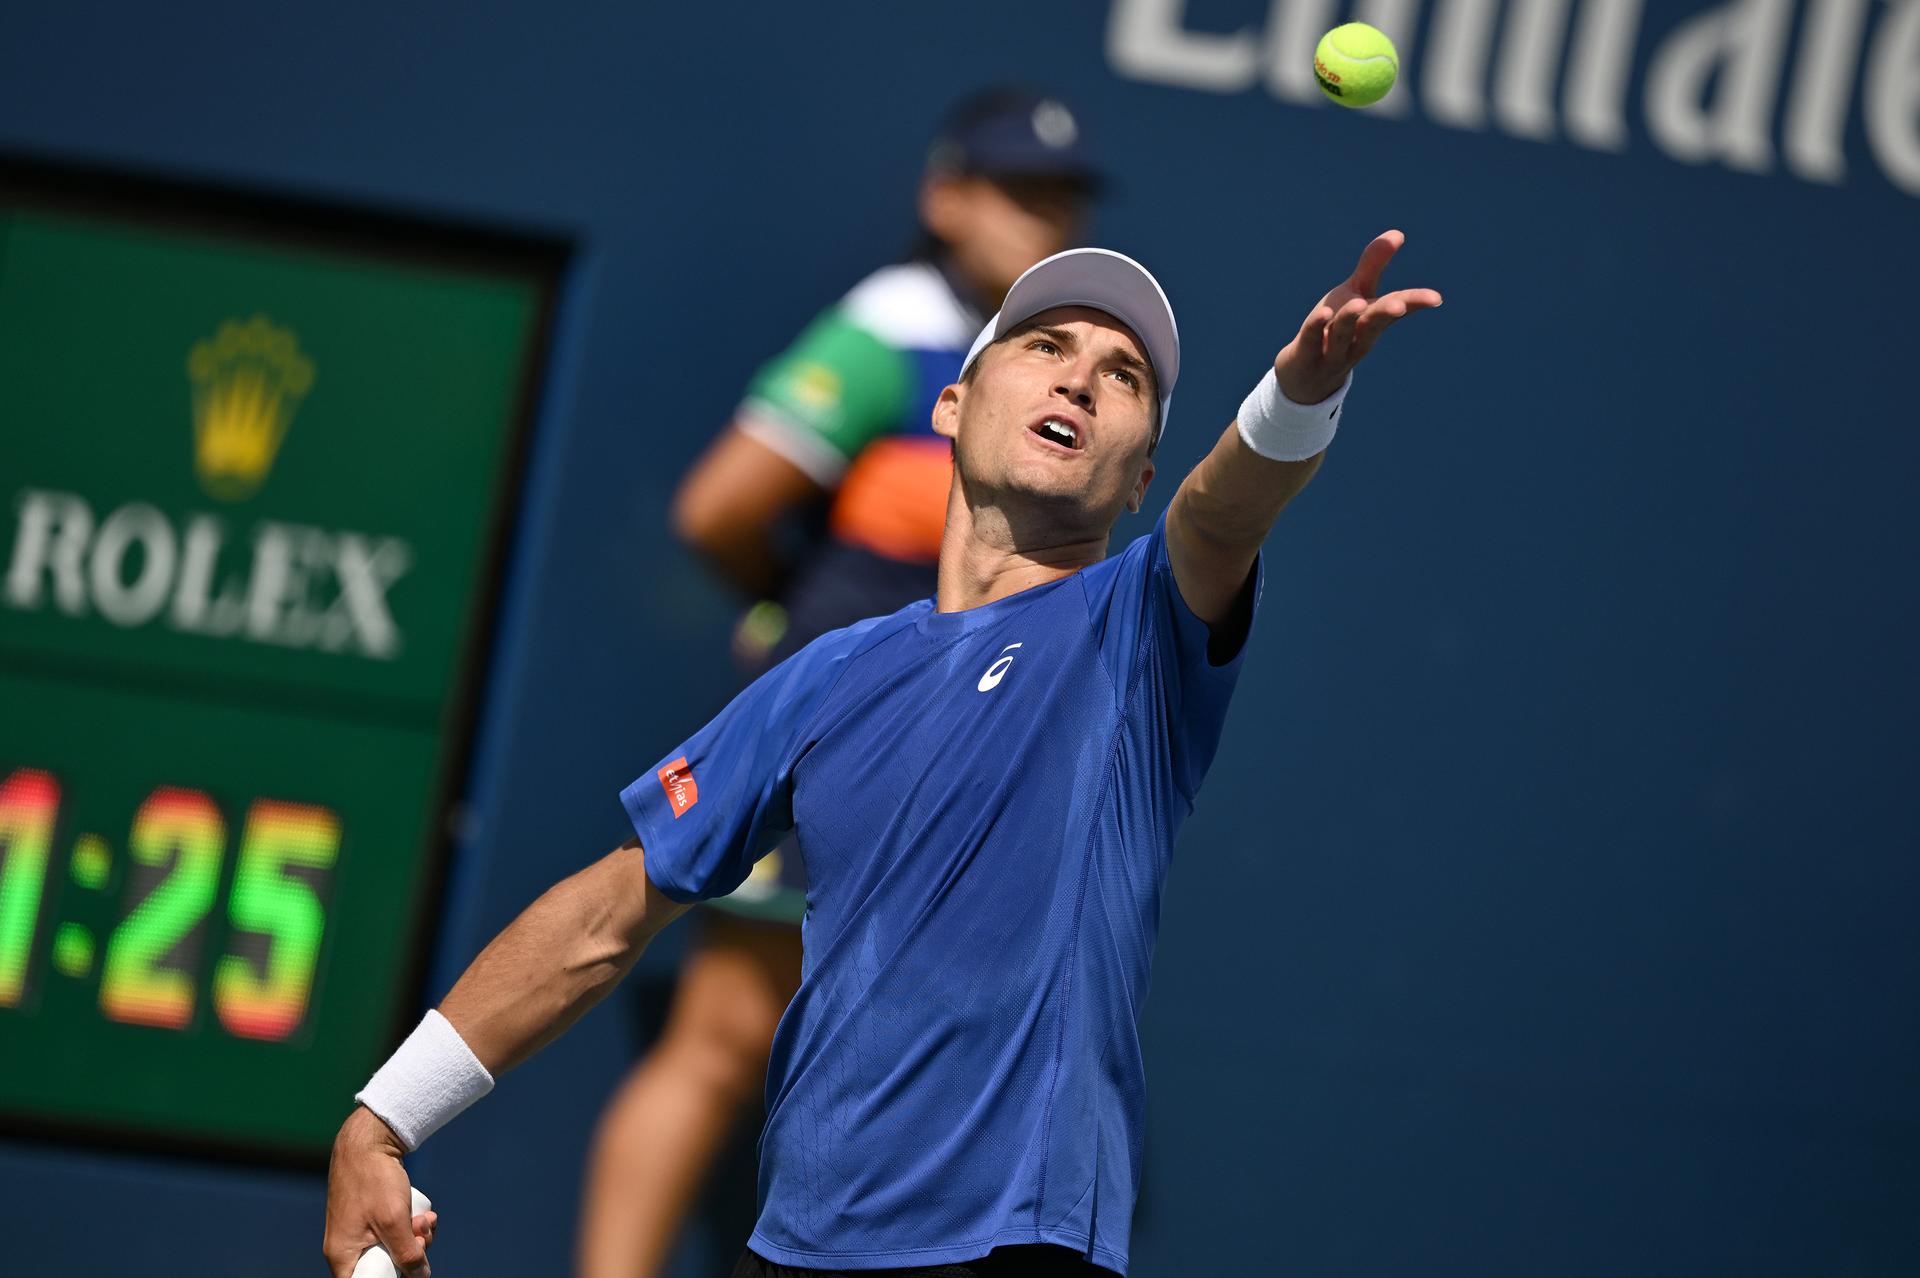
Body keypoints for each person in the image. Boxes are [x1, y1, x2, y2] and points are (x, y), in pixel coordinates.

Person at [322, 230, 1442, 1278]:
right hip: (798, 1249)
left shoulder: (1137, 629)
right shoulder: (830, 675)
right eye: (1046, 345)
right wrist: (385, 1119)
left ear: (1140, 476)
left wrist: (1299, 395)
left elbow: (1224, 514)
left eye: (1124, 376)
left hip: (1009, 1247)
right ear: (954, 405)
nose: (1080, 377)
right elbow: (606, 916)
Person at [577, 91, 1102, 1278]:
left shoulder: (1040, 365)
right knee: (722, 1037)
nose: (1045, 222)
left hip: (960, 762)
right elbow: (720, 508)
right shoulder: (897, 326)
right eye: (1022, 193)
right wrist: (794, 618)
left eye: (1063, 202)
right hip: (849, 743)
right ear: (945, 196)